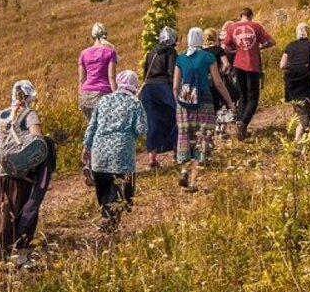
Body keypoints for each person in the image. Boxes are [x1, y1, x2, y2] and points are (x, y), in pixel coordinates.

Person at [0, 80, 43, 264]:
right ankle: (21, 257)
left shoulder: (1, 114)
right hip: (18, 173)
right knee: (20, 213)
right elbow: (37, 139)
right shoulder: (29, 114)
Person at [83, 70, 148, 230]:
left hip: (100, 149)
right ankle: (111, 220)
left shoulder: (104, 100)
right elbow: (141, 129)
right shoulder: (134, 103)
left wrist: (86, 147)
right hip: (122, 151)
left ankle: (106, 216)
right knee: (118, 186)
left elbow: (92, 125)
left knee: (103, 184)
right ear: (134, 85)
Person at [174, 28, 233, 192]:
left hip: (183, 103)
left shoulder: (180, 58)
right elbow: (218, 83)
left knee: (185, 136)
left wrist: (178, 103)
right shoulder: (208, 57)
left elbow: (175, 86)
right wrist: (229, 102)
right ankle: (193, 182)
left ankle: (184, 170)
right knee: (202, 138)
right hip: (204, 101)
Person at [222, 8, 275, 140]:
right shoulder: (255, 26)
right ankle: (243, 123)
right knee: (253, 98)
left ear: (240, 16)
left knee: (242, 96)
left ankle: (241, 128)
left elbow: (226, 46)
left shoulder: (232, 27)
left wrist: (235, 50)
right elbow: (271, 41)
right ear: (250, 16)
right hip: (252, 65)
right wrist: (261, 47)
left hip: (238, 64)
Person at [140, 27, 179, 168]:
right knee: (177, 116)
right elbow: (171, 72)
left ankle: (152, 157)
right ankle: (177, 152)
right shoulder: (171, 52)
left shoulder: (151, 52)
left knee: (153, 122)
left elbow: (145, 73)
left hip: (149, 89)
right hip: (164, 87)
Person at [279, 23, 310, 139]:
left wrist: (294, 67)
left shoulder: (290, 46)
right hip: (307, 79)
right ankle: (299, 138)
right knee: (309, 108)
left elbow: (282, 65)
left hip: (292, 80)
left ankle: (305, 133)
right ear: (308, 32)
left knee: (299, 109)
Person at [78, 22, 118, 123]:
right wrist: (117, 96)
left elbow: (81, 79)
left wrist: (80, 95)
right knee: (104, 126)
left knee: (91, 127)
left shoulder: (83, 53)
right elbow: (111, 77)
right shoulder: (110, 52)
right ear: (106, 35)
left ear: (92, 36)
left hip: (86, 95)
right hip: (103, 94)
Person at [203, 28, 237, 138]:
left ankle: (210, 130)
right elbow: (226, 64)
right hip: (217, 79)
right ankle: (221, 129)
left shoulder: (201, 51)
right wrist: (222, 72)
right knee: (222, 102)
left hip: (204, 81)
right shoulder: (218, 50)